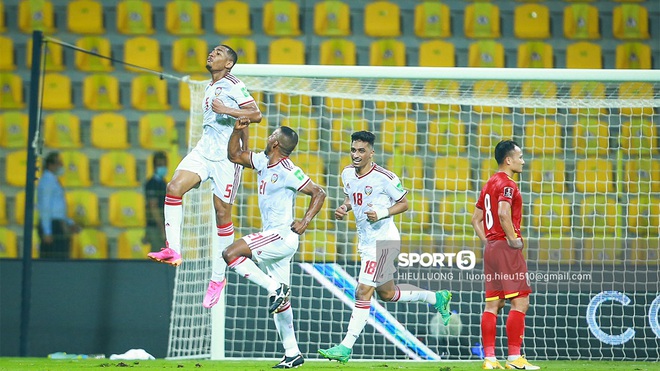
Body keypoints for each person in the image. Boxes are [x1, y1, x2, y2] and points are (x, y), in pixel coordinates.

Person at [318, 131, 452, 364]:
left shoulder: (385, 177)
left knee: (362, 291)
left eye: (361, 151)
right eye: (353, 150)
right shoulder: (347, 173)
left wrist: (382, 213)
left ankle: (345, 346)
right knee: (387, 294)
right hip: (367, 242)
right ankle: (435, 298)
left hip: (385, 242)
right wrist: (344, 207)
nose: (356, 155)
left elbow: (404, 203)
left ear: (372, 152)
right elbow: (353, 197)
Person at [147, 44, 262, 310]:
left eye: (219, 53)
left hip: (225, 158)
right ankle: (173, 249)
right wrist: (230, 117)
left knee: (222, 213)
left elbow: (255, 115)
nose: (212, 54)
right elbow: (240, 122)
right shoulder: (210, 87)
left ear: (229, 63)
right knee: (173, 187)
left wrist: (230, 117)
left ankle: (217, 279)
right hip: (204, 150)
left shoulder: (234, 84)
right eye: (211, 51)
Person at [223, 117, 326, 369]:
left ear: (276, 143)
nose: (268, 137)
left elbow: (319, 192)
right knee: (283, 305)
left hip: (282, 236)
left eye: (272, 135)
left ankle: (274, 288)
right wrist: (237, 131)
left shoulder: (289, 170)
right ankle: (293, 353)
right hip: (274, 237)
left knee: (230, 253)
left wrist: (305, 221)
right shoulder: (263, 162)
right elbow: (235, 155)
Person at [470, 140, 540, 370]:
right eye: (520, 156)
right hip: (506, 248)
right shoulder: (508, 184)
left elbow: (475, 220)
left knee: (493, 304)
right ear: (508, 160)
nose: (523, 160)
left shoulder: (489, 183)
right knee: (520, 302)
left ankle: (489, 359)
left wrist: (489, 242)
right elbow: (502, 212)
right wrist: (512, 240)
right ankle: (514, 358)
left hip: (491, 249)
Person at [36, 151, 78, 259]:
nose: (62, 166)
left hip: (57, 223)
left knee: (61, 258)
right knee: (53, 261)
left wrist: (69, 222)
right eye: (59, 163)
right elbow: (45, 207)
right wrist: (47, 231)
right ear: (51, 165)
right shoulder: (47, 181)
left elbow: (57, 208)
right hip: (52, 225)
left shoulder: (53, 181)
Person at [143, 151, 168, 250]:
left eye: (164, 165)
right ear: (154, 166)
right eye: (160, 165)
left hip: (161, 226)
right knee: (158, 257)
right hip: (155, 227)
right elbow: (153, 207)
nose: (163, 167)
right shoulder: (152, 183)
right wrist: (162, 228)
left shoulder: (163, 182)